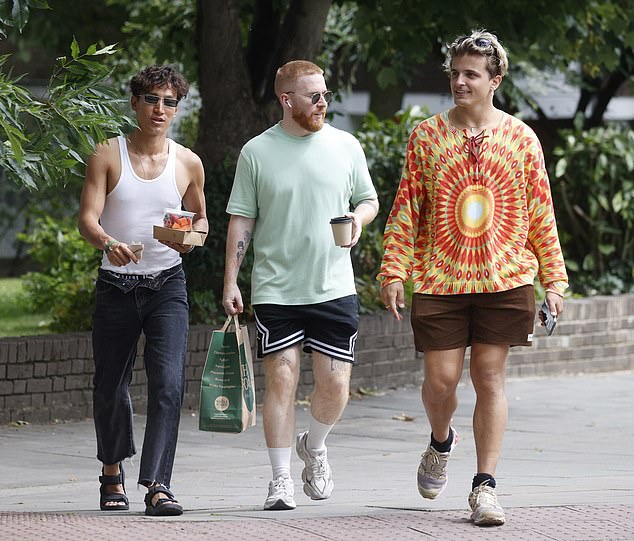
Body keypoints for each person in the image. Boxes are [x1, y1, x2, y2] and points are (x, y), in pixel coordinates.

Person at [378, 30, 568, 527]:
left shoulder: (522, 137)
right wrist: (394, 269)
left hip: (505, 278)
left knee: (489, 376)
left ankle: (485, 487)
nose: (459, 82)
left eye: (470, 74)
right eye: (454, 73)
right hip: (441, 277)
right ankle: (442, 440)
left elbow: (541, 213)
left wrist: (555, 280)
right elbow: (407, 208)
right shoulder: (426, 135)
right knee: (440, 381)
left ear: (495, 80)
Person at [223, 60, 379, 511]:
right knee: (283, 381)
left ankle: (315, 445)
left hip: (333, 285)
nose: (323, 102)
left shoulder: (346, 146)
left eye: (325, 94)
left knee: (334, 387)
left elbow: (367, 200)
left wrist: (357, 219)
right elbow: (242, 218)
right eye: (313, 96)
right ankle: (279, 480)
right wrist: (231, 279)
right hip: (276, 288)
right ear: (286, 99)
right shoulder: (257, 151)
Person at [78, 65, 207, 516]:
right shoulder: (106, 154)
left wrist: (189, 237)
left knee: (169, 384)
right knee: (110, 385)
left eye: (169, 101)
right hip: (116, 286)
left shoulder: (188, 162)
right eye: (152, 99)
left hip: (166, 284)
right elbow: (88, 219)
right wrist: (110, 244)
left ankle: (157, 484)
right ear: (135, 102)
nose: (160, 109)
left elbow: (201, 221)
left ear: (177, 108)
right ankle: (111, 471)